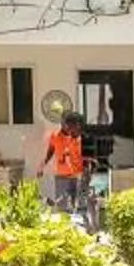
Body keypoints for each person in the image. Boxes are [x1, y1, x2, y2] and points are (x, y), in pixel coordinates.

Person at [40, 92, 90, 224]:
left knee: (79, 206)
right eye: (67, 124)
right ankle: (66, 228)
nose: (70, 127)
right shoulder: (55, 136)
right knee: (63, 206)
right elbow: (50, 151)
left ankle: (82, 227)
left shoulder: (79, 138)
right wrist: (42, 165)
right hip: (62, 176)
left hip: (78, 175)